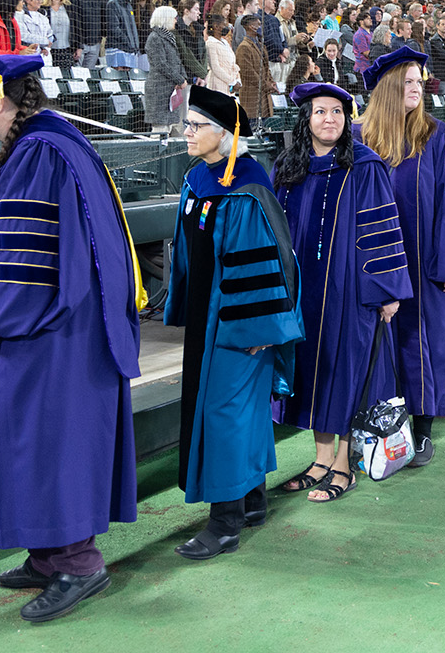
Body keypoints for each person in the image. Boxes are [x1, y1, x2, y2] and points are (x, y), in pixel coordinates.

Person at [0, 55, 143, 621]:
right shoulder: (53, 139)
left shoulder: (38, 151)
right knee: (37, 438)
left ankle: (79, 565)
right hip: (71, 322)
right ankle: (48, 554)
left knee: (53, 440)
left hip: (52, 328)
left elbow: (23, 257)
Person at [165, 85, 303, 559]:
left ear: (225, 135)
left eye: (196, 126)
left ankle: (224, 523)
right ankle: (252, 500)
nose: (187, 132)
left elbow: (261, 265)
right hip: (209, 321)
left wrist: (256, 331)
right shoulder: (198, 178)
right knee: (238, 413)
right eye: (187, 124)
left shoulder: (245, 187)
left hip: (239, 327)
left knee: (225, 416)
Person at [271, 82, 410, 505]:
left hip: (349, 290)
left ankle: (344, 468)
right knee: (314, 371)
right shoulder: (288, 167)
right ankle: (319, 460)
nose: (329, 118)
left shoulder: (364, 166)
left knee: (345, 370)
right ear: (306, 119)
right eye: (320, 111)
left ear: (347, 119)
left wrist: (386, 291)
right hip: (302, 290)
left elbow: (383, 232)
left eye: (337, 111)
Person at [356, 47, 445, 460]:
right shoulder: (359, 138)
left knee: (423, 343)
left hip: (426, 266)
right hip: (372, 266)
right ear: (388, 89)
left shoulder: (437, 135)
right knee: (375, 346)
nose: (417, 88)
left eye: (419, 82)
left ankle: (423, 427)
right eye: (408, 82)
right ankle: (373, 429)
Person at [140, 5, 188, 134]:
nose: (176, 20)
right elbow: (161, 64)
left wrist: (182, 78)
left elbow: (177, 60)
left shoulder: (168, 37)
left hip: (170, 88)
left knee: (173, 128)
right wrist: (179, 79)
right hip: (159, 90)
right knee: (160, 130)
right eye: (174, 18)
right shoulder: (155, 38)